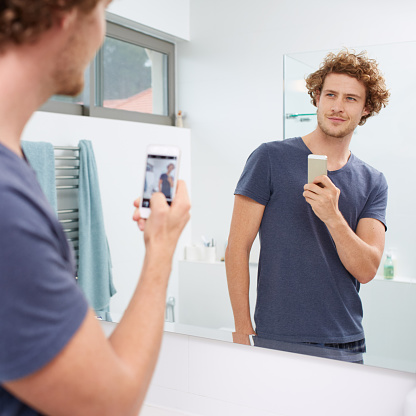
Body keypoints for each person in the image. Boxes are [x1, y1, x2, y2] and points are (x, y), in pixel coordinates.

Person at [0, 1, 190, 415]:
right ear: (66, 15)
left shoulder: (13, 167)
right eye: (102, 11)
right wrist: (162, 247)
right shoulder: (7, 207)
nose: (102, 35)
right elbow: (111, 407)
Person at [225, 50, 390, 355]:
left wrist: (332, 216)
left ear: (366, 108)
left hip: (346, 340)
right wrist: (242, 329)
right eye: (330, 94)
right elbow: (237, 248)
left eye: (351, 99)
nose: (338, 107)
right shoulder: (269, 158)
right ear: (316, 97)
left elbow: (366, 270)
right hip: (276, 337)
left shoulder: (373, 181)